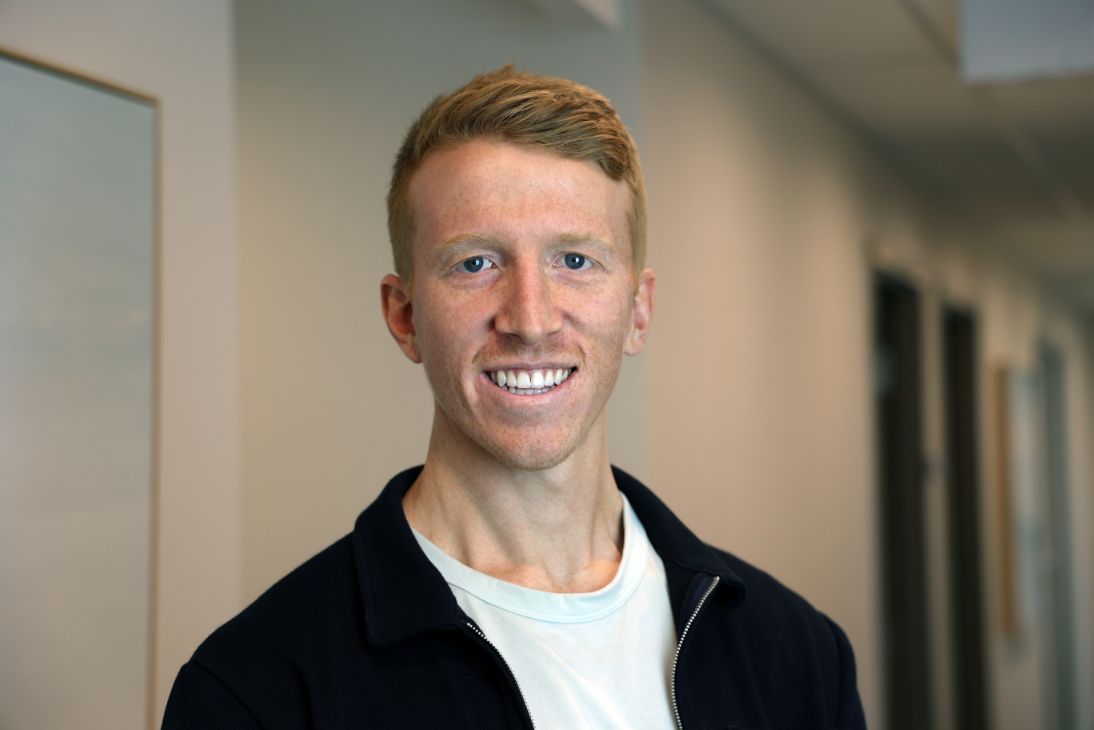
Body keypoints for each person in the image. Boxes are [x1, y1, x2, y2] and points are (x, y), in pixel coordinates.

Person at [163, 66, 865, 729]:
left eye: (575, 261)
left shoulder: (797, 656)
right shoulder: (260, 689)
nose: (529, 318)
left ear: (638, 311)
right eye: (476, 263)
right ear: (403, 315)